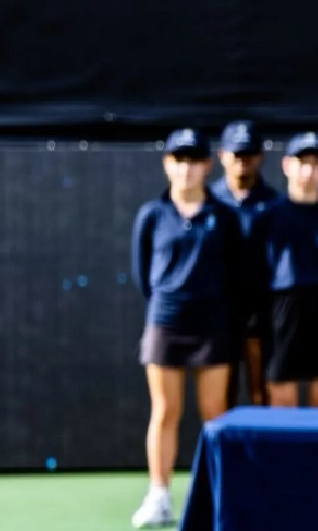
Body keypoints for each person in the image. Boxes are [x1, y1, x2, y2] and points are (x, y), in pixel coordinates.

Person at [129, 128, 246, 529]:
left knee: (215, 416)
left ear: (207, 165)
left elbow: (235, 273)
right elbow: (143, 274)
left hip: (213, 327)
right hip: (165, 324)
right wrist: (169, 304)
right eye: (178, 160)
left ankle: (218, 494)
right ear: (167, 164)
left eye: (194, 160)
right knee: (165, 410)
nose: (186, 169)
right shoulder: (151, 215)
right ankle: (159, 495)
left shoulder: (224, 216)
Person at [250, 132, 318, 408]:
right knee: (281, 401)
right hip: (283, 315)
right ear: (287, 165)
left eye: (315, 163)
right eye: (302, 162)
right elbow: (255, 275)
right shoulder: (268, 217)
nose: (308, 171)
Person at [209, 120, 282, 408]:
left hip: (262, 314)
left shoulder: (275, 203)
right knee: (219, 397)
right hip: (218, 312)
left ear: (260, 156)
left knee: (261, 392)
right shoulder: (209, 201)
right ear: (222, 156)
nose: (243, 161)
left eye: (249, 154)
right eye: (237, 154)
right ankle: (222, 455)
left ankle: (263, 454)